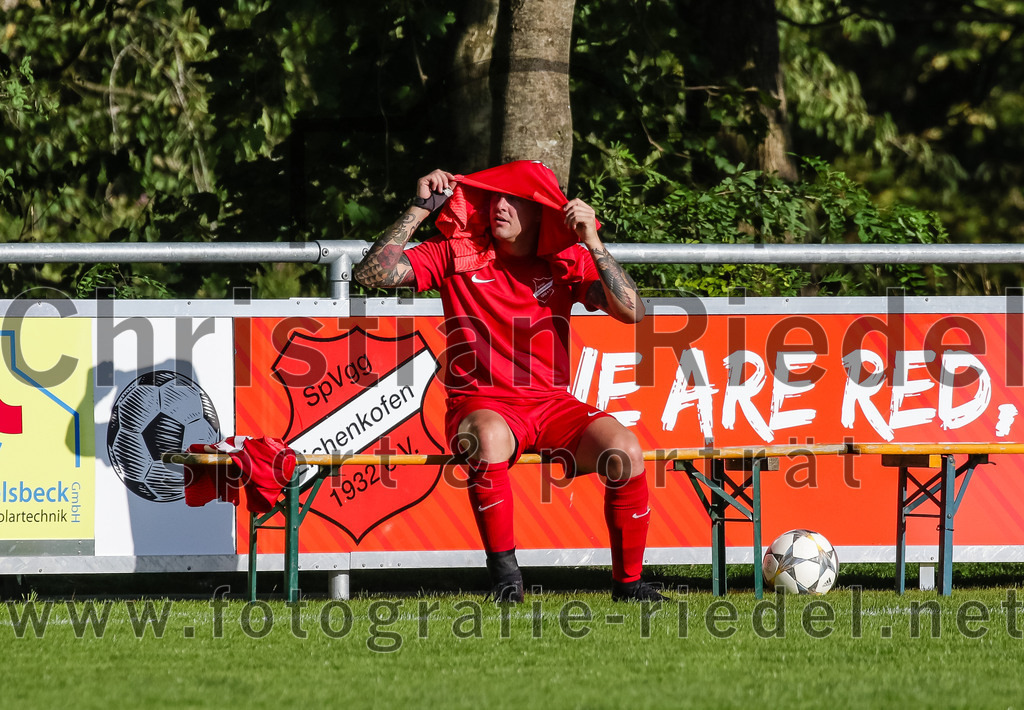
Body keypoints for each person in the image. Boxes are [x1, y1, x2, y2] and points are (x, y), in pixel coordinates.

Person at [353, 160, 665, 603]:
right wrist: (419, 210)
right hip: (479, 405)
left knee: (626, 450)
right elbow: (372, 275)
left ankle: (629, 586)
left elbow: (634, 311)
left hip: (552, 405)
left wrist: (593, 241)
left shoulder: (564, 259)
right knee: (489, 434)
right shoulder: (456, 251)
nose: (499, 206)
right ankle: (506, 580)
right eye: (494, 196)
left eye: (515, 201)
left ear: (543, 214)